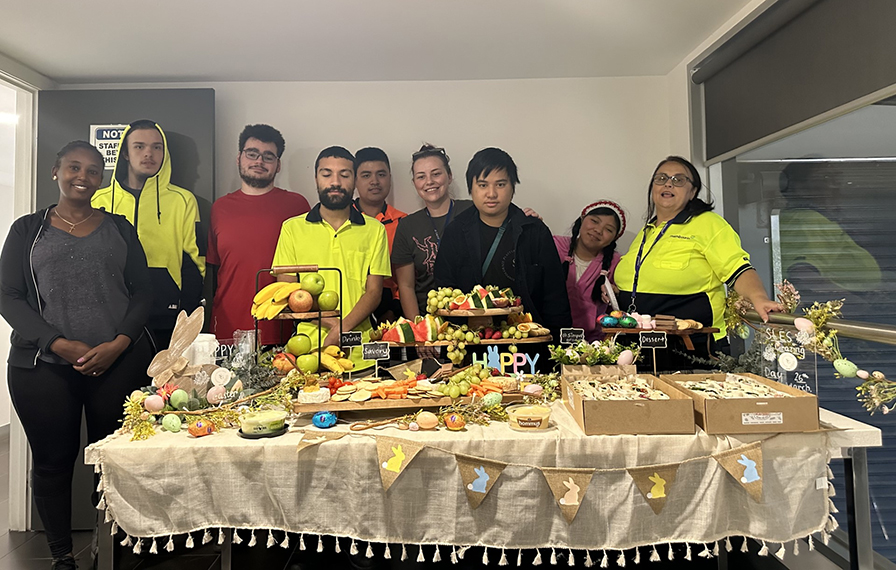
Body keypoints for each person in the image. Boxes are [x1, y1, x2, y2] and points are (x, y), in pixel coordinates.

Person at [0, 141, 154, 570]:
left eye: (92, 170)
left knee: (115, 463)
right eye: (73, 168)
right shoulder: (27, 230)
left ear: (101, 177)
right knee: (52, 463)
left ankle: (115, 549)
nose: (82, 177)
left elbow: (143, 292)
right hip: (43, 368)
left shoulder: (120, 228)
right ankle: (61, 556)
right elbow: (8, 296)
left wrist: (120, 343)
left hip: (117, 364)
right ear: (56, 172)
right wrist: (57, 343)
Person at [614, 156, 782, 368]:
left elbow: (738, 268)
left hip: (692, 347)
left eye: (678, 180)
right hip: (642, 345)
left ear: (692, 192)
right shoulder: (647, 231)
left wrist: (759, 298)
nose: (668, 183)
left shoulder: (708, 224)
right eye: (662, 178)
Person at [273, 146, 391, 371]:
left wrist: (343, 328)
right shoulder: (292, 229)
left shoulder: (374, 230)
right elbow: (286, 289)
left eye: (344, 174)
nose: (335, 182)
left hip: (362, 352)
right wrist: (334, 325)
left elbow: (374, 292)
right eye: (326, 174)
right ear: (316, 178)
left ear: (355, 179)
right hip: (306, 351)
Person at [91, 119, 205, 351]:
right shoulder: (98, 200)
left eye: (156, 147)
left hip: (165, 317)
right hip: (109, 318)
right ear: (125, 153)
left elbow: (194, 260)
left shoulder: (183, 200)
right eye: (139, 146)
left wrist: (186, 317)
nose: (149, 154)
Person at [434, 147, 572, 337]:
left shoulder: (534, 231)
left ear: (512, 187)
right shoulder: (455, 232)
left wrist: (559, 349)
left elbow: (555, 296)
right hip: (472, 340)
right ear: (471, 189)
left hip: (528, 341)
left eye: (500, 184)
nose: (491, 193)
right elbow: (444, 288)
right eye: (482, 185)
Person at [392, 144, 541, 319]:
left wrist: (525, 220)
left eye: (436, 173)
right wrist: (419, 329)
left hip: (476, 315)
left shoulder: (475, 210)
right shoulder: (407, 226)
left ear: (449, 176)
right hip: (429, 317)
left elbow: (504, 220)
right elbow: (406, 286)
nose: (429, 181)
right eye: (421, 176)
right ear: (414, 183)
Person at [207, 124, 310, 345]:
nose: (259, 161)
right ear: (239, 157)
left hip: (283, 328)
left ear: (278, 165)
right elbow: (213, 271)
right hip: (226, 327)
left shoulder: (297, 205)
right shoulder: (219, 208)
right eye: (252, 154)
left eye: (268, 156)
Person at [554, 200, 625, 342]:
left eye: (608, 230)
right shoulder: (554, 245)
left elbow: (620, 309)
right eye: (594, 221)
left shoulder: (616, 263)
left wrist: (615, 293)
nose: (598, 230)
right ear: (581, 220)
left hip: (593, 344)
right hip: (548, 338)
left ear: (614, 238)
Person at [353, 147, 406, 324]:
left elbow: (409, 279)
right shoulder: (342, 221)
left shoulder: (404, 223)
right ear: (354, 180)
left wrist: (394, 310)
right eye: (366, 175)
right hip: (349, 310)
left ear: (390, 178)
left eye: (381, 174)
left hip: (394, 315)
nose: (374, 181)